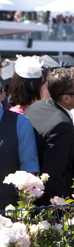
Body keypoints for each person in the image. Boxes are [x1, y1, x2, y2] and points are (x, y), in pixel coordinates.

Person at [24, 67, 74, 203]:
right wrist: (64, 207)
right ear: (66, 98)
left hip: (29, 194)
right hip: (50, 206)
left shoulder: (35, 107)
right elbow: (53, 175)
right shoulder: (62, 125)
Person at [0, 77, 40, 208]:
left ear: (3, 94)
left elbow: (29, 169)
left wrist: (22, 213)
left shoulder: (20, 123)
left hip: (8, 212)